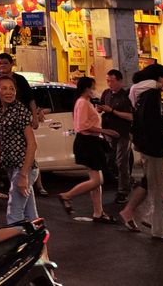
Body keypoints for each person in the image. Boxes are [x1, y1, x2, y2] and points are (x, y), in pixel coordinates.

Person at [57, 76, 116, 223]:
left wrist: (97, 112)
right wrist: (105, 131)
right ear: (86, 88)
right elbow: (83, 125)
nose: (94, 90)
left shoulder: (85, 102)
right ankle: (67, 195)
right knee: (97, 180)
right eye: (92, 87)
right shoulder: (82, 102)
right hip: (87, 142)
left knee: (96, 180)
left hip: (90, 141)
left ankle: (98, 212)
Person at [127, 64, 163, 240]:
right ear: (160, 78)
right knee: (160, 190)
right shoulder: (152, 94)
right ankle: (159, 229)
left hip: (147, 146)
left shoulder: (140, 93)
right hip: (154, 149)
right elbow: (157, 125)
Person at [0, 73, 38, 223]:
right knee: (31, 215)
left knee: (14, 213)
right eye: (4, 88)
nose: (9, 92)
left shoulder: (20, 111)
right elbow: (0, 140)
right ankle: (39, 238)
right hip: (11, 166)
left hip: (24, 167)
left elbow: (32, 144)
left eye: (12, 88)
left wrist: (23, 175)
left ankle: (14, 236)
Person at [97, 68, 134, 204]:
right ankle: (125, 181)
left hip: (123, 132)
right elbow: (102, 107)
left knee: (121, 161)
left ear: (120, 81)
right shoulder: (106, 93)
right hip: (108, 132)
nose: (109, 84)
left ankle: (123, 191)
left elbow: (131, 116)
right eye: (107, 81)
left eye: (112, 81)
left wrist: (112, 111)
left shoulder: (126, 96)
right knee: (111, 160)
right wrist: (100, 109)